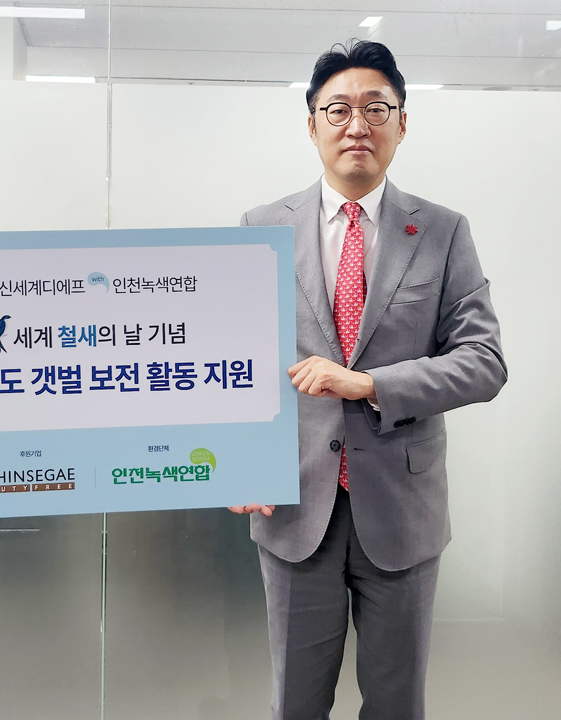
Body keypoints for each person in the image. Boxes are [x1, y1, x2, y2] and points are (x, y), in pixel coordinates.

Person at [231, 41, 506, 720]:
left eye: (376, 108)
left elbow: (484, 361)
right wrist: (236, 462)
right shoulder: (261, 228)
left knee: (396, 705)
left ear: (402, 123)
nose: (357, 125)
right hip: (294, 508)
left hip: (402, 512)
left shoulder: (441, 232)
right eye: (338, 109)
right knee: (296, 705)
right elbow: (235, 362)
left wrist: (370, 384)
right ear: (312, 125)